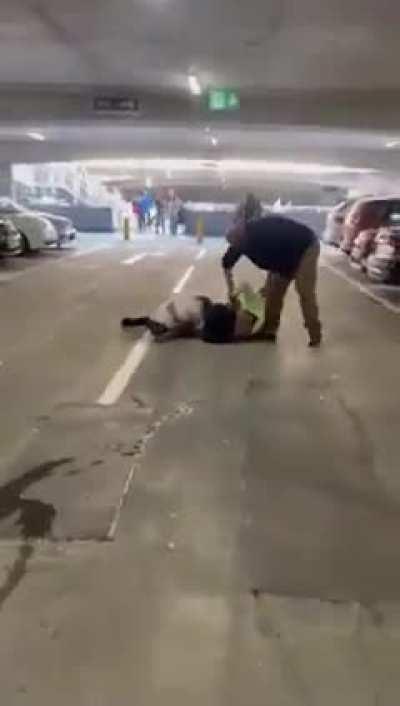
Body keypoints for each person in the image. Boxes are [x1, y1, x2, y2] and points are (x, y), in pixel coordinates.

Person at [222, 215, 322, 346]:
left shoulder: (263, 234)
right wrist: (231, 292)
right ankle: (269, 331)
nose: (240, 248)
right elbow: (226, 265)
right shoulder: (239, 243)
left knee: (304, 290)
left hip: (305, 247)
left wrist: (266, 288)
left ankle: (314, 333)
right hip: (283, 255)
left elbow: (279, 262)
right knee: (273, 294)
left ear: (245, 236)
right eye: (236, 245)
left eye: (240, 243)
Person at [121, 283, 267, 344]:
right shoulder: (161, 316)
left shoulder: (169, 319)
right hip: (206, 312)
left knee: (210, 333)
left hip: (211, 317)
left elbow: (185, 327)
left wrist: (167, 336)